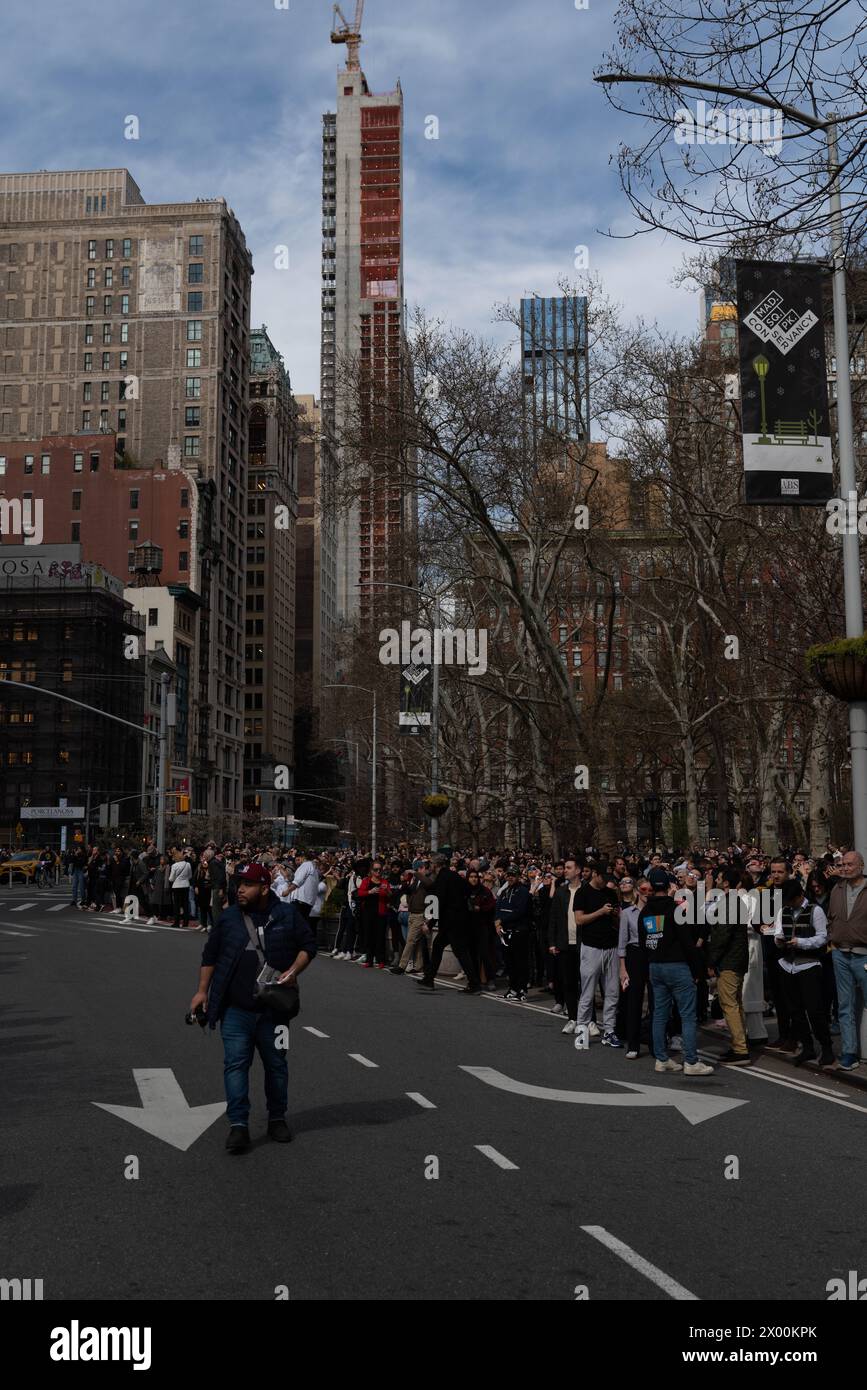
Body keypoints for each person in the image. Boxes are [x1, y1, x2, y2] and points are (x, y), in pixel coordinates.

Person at [189, 862, 317, 1154]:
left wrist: (295, 970)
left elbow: (308, 946)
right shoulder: (229, 917)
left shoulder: (286, 914)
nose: (240, 890)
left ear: (264, 887)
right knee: (235, 1065)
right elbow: (210, 954)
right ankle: (238, 1125)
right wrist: (201, 992)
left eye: (246, 884)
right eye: (238, 884)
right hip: (235, 1009)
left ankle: (277, 1118)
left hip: (275, 1011)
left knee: (277, 1066)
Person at [643, 867, 714, 1076]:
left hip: (655, 966)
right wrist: (697, 969)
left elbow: (643, 940)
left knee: (659, 1015)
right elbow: (687, 942)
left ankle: (661, 1059)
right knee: (687, 1016)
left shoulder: (645, 911)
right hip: (677, 965)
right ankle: (691, 1061)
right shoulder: (675, 909)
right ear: (668, 886)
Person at [774, 876, 834, 1069]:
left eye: (793, 900)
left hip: (808, 965)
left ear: (800, 895)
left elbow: (822, 938)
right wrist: (780, 940)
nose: (790, 904)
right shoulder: (784, 910)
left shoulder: (815, 910)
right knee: (795, 1011)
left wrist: (801, 942)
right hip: (787, 965)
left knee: (815, 1010)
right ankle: (807, 1047)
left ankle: (827, 1048)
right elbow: (777, 932)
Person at [825, 850, 867, 1071]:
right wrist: (833, 939)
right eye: (842, 864)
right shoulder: (837, 889)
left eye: (850, 864)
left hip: (864, 955)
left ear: (861, 866)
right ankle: (849, 1053)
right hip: (840, 953)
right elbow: (831, 917)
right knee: (844, 1006)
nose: (845, 868)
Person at [706, 867, 752, 1065]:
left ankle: (741, 1049)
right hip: (736, 959)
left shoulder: (729, 903)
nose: (716, 879)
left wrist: (711, 960)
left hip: (730, 961)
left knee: (729, 1004)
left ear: (726, 883)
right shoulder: (733, 902)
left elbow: (722, 935)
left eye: (719, 877)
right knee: (736, 1003)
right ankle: (739, 1044)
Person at [574, 862, 623, 1048]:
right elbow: (579, 919)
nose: (606, 882)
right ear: (595, 874)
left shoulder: (610, 892)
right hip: (591, 947)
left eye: (609, 879)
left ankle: (609, 1030)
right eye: (604, 878)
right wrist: (601, 912)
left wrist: (615, 914)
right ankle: (582, 1029)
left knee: (612, 992)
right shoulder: (583, 893)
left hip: (610, 946)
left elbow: (617, 917)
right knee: (588, 991)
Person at [418, 854, 481, 993]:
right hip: (457, 920)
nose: (431, 866)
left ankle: (475, 983)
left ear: (436, 865)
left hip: (452, 921)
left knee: (461, 951)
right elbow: (468, 888)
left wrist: (429, 923)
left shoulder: (443, 878)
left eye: (432, 864)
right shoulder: (453, 876)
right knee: (439, 945)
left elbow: (438, 902)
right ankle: (429, 979)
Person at [548, 857, 585, 1034]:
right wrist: (552, 942)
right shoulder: (561, 892)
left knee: (585, 984)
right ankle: (572, 1018)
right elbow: (553, 918)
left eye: (569, 868)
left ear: (578, 871)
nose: (565, 870)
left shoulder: (586, 891)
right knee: (568, 983)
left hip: (584, 944)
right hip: (564, 944)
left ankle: (588, 1020)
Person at [617, 877, 653, 1058]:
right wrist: (622, 968)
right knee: (634, 1001)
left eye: (650, 890)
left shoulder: (655, 911)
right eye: (644, 890)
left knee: (655, 1001)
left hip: (652, 954)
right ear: (638, 891)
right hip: (634, 955)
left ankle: (656, 1044)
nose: (647, 893)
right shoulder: (627, 913)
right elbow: (622, 942)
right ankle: (633, 1044)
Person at [495, 866, 532, 1002]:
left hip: (519, 931)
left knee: (520, 962)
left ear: (518, 876)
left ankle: (522, 990)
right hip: (506, 931)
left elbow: (519, 911)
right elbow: (498, 908)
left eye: (513, 875)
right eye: (508, 875)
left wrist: (501, 920)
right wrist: (497, 923)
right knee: (509, 962)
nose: (510, 877)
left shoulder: (523, 891)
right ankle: (513, 988)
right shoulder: (505, 891)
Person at [281, 847, 320, 920]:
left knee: (296, 926)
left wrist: (287, 891)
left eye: (297, 859)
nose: (296, 861)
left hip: (300, 901)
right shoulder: (314, 867)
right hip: (307, 902)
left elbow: (297, 882)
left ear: (302, 858)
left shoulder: (306, 865)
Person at [169, 848, 193, 930]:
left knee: (177, 905)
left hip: (177, 886)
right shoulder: (188, 864)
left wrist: (172, 879)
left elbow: (171, 878)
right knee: (185, 904)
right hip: (186, 885)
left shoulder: (174, 866)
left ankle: (177, 922)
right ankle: (186, 922)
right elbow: (190, 876)